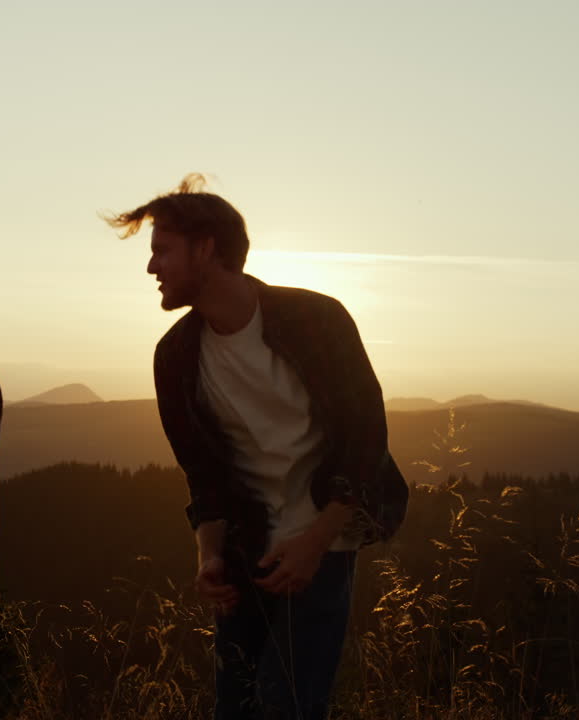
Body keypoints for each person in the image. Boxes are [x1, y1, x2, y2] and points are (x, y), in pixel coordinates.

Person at [105, 174, 409, 719]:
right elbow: (204, 476)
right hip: (247, 550)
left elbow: (366, 438)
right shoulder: (175, 357)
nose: (151, 268)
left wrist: (316, 542)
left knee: (286, 706)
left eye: (161, 251)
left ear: (206, 249)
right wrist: (209, 556)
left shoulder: (317, 320)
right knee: (235, 706)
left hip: (323, 545)